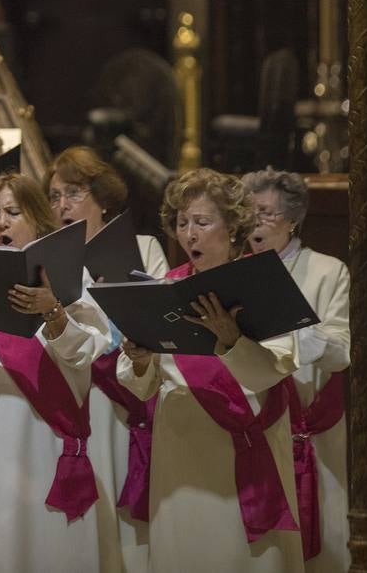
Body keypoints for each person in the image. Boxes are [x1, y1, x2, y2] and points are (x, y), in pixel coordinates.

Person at [0, 172, 117, 572]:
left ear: (37, 217)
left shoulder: (68, 278)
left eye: (13, 211)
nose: (2, 223)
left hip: (47, 444)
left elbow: (87, 351)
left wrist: (52, 310)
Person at [118, 168, 302, 572]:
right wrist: (140, 359)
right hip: (180, 451)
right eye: (182, 223)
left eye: (202, 222)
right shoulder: (166, 286)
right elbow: (140, 386)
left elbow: (277, 368)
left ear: (234, 227)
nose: (189, 234)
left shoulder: (264, 280)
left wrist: (231, 339)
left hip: (245, 444)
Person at [46, 145, 168, 573]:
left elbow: (157, 317)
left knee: (129, 530)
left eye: (73, 194)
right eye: (54, 196)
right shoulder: (49, 261)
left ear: (102, 199)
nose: (62, 206)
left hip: (127, 395)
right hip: (78, 398)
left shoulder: (144, 246)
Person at [242, 168, 350, 572]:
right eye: (249, 213)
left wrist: (287, 328)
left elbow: (340, 351)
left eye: (267, 214)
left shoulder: (327, 270)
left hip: (309, 422)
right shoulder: (234, 268)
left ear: (292, 219)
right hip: (250, 423)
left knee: (325, 543)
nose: (256, 223)